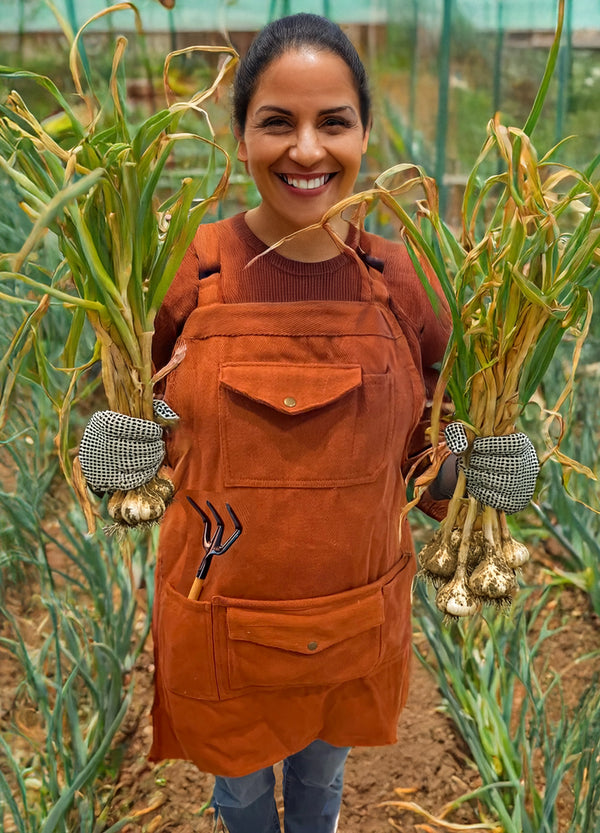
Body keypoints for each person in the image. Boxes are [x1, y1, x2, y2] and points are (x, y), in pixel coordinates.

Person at [78, 14, 539, 832]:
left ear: (364, 130)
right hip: (220, 617)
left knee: (324, 781)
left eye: (333, 122)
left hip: (353, 614)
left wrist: (481, 473)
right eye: (277, 123)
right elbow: (126, 405)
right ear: (240, 133)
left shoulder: (403, 279)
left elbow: (424, 445)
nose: (306, 151)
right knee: (243, 794)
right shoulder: (192, 269)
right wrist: (112, 452)